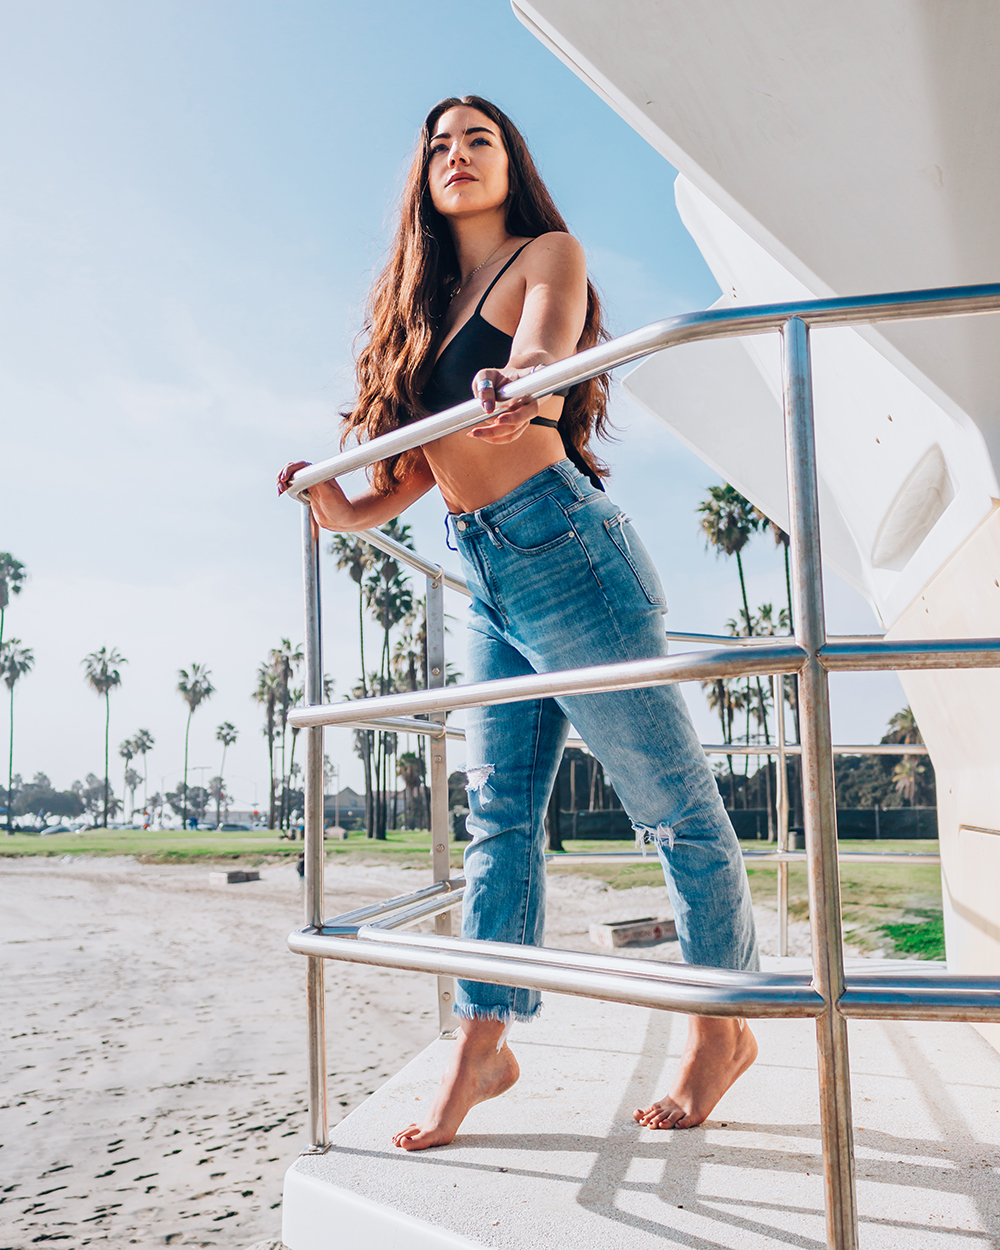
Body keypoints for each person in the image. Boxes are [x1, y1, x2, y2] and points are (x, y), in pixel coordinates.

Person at [278, 95, 759, 1150]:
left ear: (510, 162)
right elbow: (406, 475)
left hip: (568, 553)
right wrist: (332, 502)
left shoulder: (548, 252)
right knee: (498, 820)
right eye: (438, 145)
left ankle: (718, 1022)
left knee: (671, 808)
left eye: (477, 140)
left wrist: (522, 385)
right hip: (485, 569)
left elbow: (541, 359)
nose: (456, 154)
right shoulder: (422, 307)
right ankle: (483, 1045)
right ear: (423, 177)